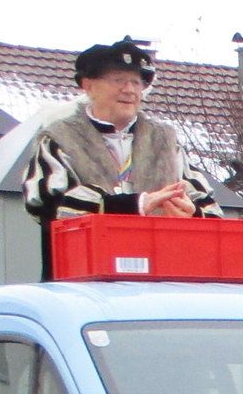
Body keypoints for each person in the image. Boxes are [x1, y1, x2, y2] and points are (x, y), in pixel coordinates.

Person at [21, 36, 223, 278]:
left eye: (136, 82)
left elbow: (212, 213)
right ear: (88, 86)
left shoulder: (165, 141)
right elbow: (47, 206)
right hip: (84, 283)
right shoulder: (59, 139)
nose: (129, 90)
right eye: (118, 80)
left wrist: (193, 214)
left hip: (162, 282)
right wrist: (133, 206)